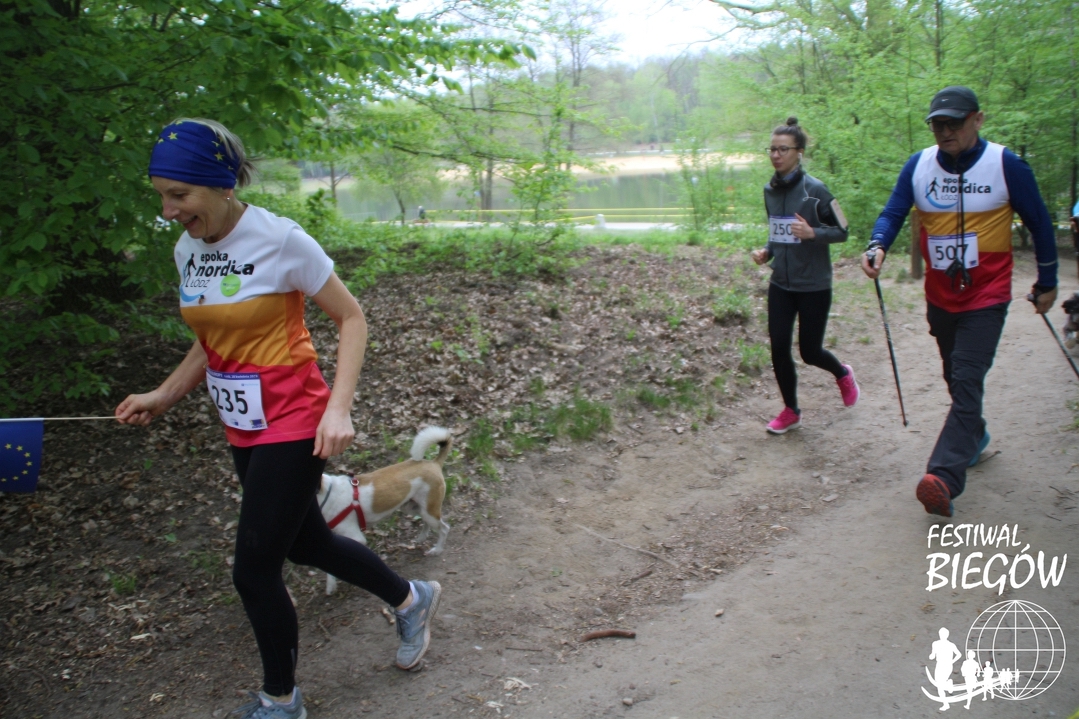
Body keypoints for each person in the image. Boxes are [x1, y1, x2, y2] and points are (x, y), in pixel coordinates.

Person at [115, 119, 441, 719]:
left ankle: (281, 699)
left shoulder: (281, 240)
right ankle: (411, 598)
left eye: (179, 195)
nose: (167, 211)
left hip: (295, 419)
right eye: (160, 195)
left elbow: (351, 318)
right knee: (307, 543)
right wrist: (164, 394)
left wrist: (337, 408)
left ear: (222, 186)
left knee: (253, 570)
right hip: (243, 424)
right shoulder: (188, 248)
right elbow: (212, 337)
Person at [862, 86, 1058, 517]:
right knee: (956, 376)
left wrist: (1048, 281)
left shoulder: (1005, 164)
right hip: (941, 295)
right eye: (938, 125)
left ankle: (943, 477)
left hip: (987, 294)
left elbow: (1040, 223)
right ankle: (975, 436)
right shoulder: (919, 165)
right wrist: (877, 244)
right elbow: (893, 212)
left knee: (967, 378)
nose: (945, 131)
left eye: (954, 123)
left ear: (978, 119)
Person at [752, 117, 859, 434]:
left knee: (810, 352)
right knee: (778, 348)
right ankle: (791, 411)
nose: (776, 155)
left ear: (799, 152)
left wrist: (813, 233)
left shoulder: (816, 190)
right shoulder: (770, 191)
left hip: (814, 285)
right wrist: (767, 251)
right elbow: (777, 231)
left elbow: (843, 231)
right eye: (772, 149)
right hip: (781, 284)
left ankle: (842, 373)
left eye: (783, 149)